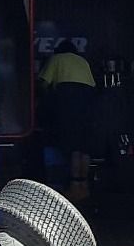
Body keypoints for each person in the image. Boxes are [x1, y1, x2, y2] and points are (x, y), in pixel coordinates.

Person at [39, 35, 100, 204]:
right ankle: (84, 186)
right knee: (83, 148)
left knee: (73, 148)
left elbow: (42, 84)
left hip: (67, 102)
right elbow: (93, 87)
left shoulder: (56, 59)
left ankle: (73, 188)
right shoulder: (83, 61)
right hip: (88, 103)